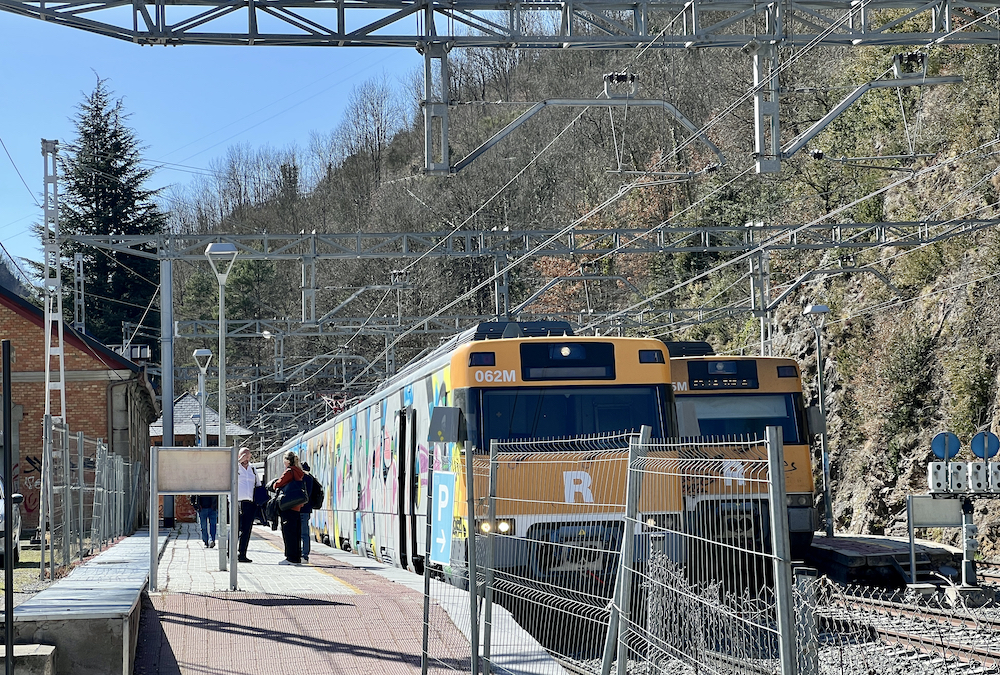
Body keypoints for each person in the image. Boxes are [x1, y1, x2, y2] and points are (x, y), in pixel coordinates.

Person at [269, 450, 304, 565]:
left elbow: (278, 484)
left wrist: (274, 484)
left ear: (288, 461)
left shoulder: (289, 471)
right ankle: (297, 557)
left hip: (288, 506)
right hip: (297, 506)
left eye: (284, 460)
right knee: (296, 533)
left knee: (288, 532)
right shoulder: (299, 472)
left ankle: (290, 558)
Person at [237, 447, 261, 563]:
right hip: (237, 502)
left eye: (248, 456)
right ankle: (230, 551)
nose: (246, 458)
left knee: (247, 529)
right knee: (235, 528)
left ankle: (242, 554)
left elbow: (258, 485)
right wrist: (238, 461)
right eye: (244, 455)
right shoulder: (235, 467)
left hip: (250, 503)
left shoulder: (252, 469)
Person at [300, 462, 315, 563]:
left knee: (300, 533)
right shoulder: (310, 478)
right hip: (307, 509)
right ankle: (305, 555)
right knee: (305, 533)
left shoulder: (302, 478)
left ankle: (302, 554)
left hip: (300, 508)